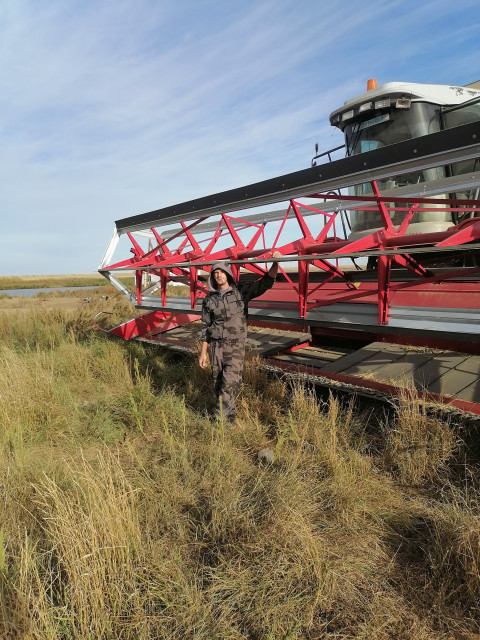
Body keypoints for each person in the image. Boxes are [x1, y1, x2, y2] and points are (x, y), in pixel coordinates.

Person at [199, 251, 282, 422]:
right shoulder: (209, 300)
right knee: (218, 384)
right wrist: (203, 353)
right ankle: (230, 419)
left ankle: (217, 421)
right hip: (215, 347)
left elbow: (265, 283)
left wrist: (275, 263)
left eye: (221, 272)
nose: (218, 275)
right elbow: (205, 327)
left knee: (229, 383)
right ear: (213, 278)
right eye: (215, 273)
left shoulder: (241, 292)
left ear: (227, 274)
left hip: (235, 345)